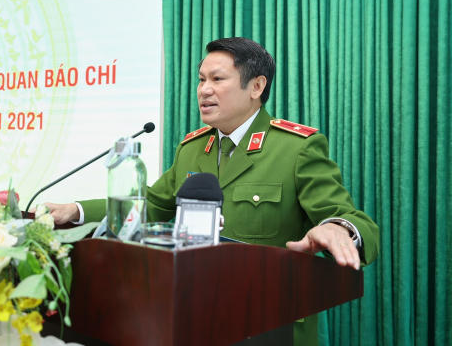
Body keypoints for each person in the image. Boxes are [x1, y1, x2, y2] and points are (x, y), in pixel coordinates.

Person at [43, 37, 379, 346]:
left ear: (256, 86)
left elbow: (352, 219)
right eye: (201, 79)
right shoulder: (192, 148)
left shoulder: (296, 148)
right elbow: (152, 206)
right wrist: (76, 211)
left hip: (269, 325)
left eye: (217, 79)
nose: (204, 90)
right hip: (195, 319)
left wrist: (340, 228)